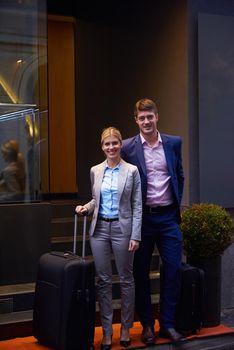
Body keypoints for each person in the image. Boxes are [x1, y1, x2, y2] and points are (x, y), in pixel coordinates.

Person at [121, 98, 185, 346]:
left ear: (157, 116)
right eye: (141, 118)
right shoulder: (127, 147)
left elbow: (179, 174)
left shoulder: (173, 143)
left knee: (174, 269)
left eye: (150, 116)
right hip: (142, 220)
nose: (146, 121)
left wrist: (176, 202)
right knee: (140, 272)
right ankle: (147, 324)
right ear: (136, 120)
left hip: (169, 217)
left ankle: (167, 323)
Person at [75, 127, 142, 350]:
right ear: (102, 147)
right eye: (107, 144)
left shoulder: (131, 170)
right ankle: (106, 332)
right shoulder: (95, 170)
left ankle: (125, 329)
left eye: (115, 143)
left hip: (123, 230)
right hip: (100, 229)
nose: (111, 147)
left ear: (121, 144)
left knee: (126, 279)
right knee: (103, 281)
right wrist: (86, 207)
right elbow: (96, 199)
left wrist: (136, 234)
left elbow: (137, 205)